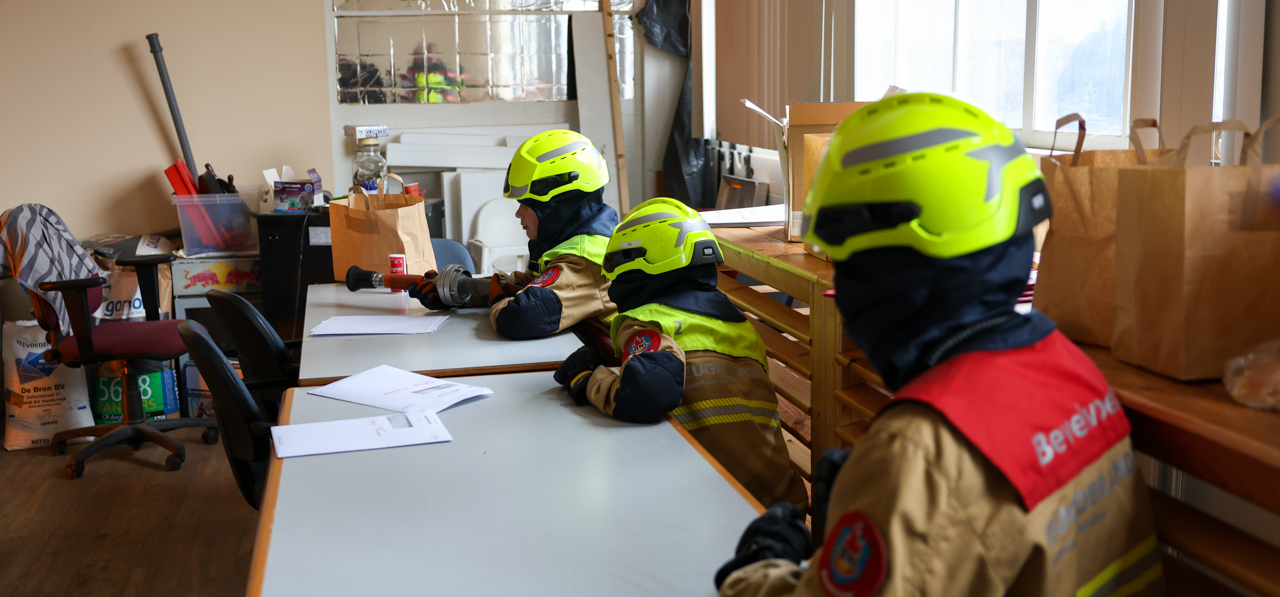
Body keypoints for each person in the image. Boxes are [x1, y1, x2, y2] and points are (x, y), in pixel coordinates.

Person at [715, 93, 1163, 597]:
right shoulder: (1070, 368)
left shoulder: (918, 454)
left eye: (848, 263)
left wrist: (759, 567)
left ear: (891, 271)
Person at [553, 198, 808, 511]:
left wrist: (589, 380)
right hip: (781, 505)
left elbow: (648, 393)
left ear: (636, 260)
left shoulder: (649, 320)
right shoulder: (743, 330)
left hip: (717, 510)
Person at [409, 129, 619, 340]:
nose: (518, 213)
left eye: (527, 204)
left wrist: (496, 297)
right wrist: (455, 292)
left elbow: (519, 317)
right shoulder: (569, 245)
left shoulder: (583, 262)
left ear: (559, 207)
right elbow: (528, 286)